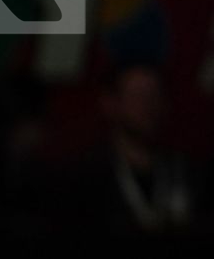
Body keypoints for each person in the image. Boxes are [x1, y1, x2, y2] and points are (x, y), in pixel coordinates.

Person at [64, 62, 200, 230]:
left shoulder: (184, 171)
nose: (148, 105)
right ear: (111, 103)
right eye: (137, 96)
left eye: (154, 95)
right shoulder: (87, 176)